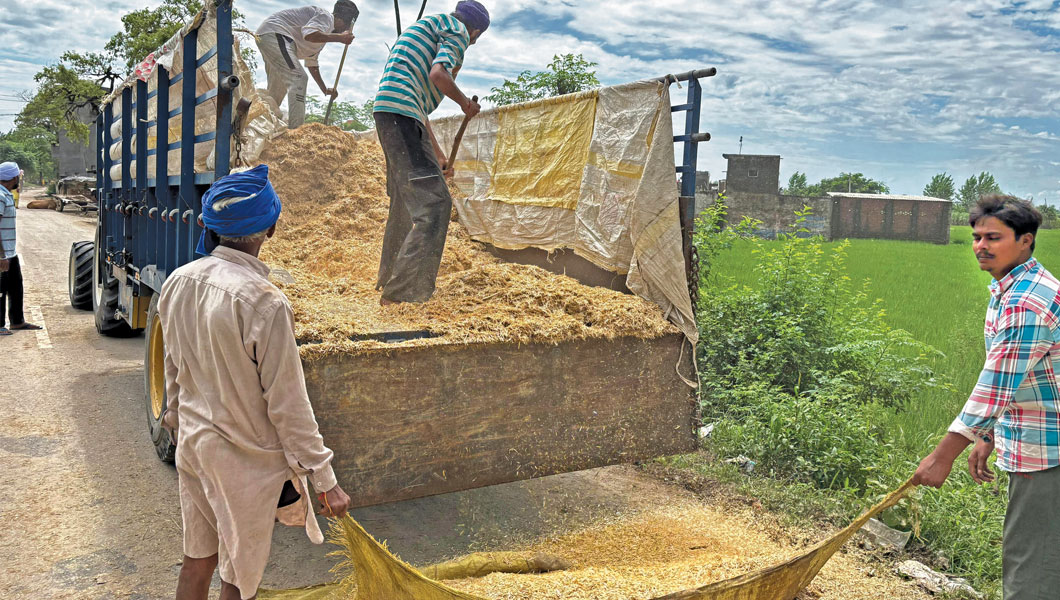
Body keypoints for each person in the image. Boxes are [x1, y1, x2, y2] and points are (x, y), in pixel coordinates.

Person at [159, 164, 351, 600]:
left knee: (198, 558)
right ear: (271, 229)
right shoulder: (265, 302)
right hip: (242, 461)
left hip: (194, 443)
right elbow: (288, 405)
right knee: (238, 575)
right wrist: (326, 482)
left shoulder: (177, 282)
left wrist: (175, 421)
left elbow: (175, 370)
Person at [913, 195, 1060, 599]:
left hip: (1051, 451)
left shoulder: (1027, 301)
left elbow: (996, 383)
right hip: (1034, 439)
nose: (981, 246)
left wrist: (943, 456)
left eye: (993, 237)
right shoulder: (1010, 289)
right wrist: (989, 435)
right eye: (976, 237)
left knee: (1034, 567)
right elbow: (1025, 377)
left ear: (1026, 240)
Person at [373, 0, 489, 304]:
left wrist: (437, 155)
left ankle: (388, 279)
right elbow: (439, 74)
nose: (471, 42)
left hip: (389, 113)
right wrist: (465, 104)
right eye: (475, 38)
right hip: (402, 115)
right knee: (436, 206)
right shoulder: (458, 32)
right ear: (475, 31)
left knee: (404, 202)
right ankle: (402, 296)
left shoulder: (427, 27)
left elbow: (420, 110)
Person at [255, 1, 359, 129]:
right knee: (298, 78)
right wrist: (339, 38)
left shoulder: (322, 37)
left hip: (271, 37)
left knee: (278, 90)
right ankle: (297, 132)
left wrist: (324, 89)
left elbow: (312, 64)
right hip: (276, 33)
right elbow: (309, 34)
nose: (346, 29)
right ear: (338, 17)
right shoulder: (325, 17)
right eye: (346, 25)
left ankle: (263, 125)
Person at [0, 161, 41, 336]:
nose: (20, 179)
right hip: (2, 253)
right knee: (1, 290)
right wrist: (1, 256)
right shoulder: (0, 196)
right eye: (19, 176)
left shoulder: (6, 194)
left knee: (16, 287)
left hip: (10, 252)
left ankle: (17, 321)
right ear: (13, 177)